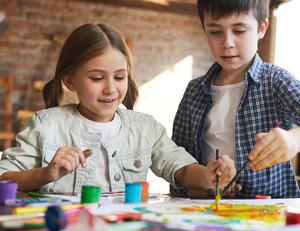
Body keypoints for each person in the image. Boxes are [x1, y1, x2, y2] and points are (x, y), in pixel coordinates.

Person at [0, 23, 236, 194]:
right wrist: (46, 174)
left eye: (120, 77)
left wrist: (207, 176)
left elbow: (180, 169)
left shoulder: (146, 128)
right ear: (70, 81)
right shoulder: (45, 125)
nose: (110, 89)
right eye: (96, 78)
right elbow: (4, 177)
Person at [172, 0, 300, 199]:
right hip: (208, 213)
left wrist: (294, 139)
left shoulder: (277, 81)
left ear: (261, 28)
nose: (227, 43)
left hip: (270, 217)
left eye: (239, 30)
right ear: (204, 29)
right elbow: (177, 165)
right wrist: (204, 186)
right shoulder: (193, 92)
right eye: (215, 32)